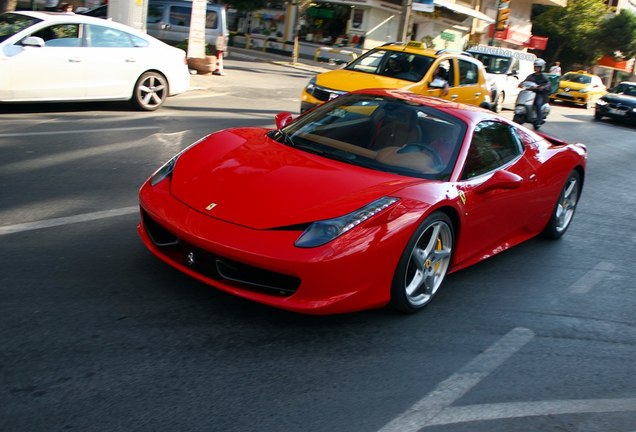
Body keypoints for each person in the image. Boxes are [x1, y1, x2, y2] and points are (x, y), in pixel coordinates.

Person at [521, 58, 550, 128]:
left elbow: (548, 84)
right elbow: (525, 81)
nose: (536, 68)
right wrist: (521, 83)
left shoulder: (543, 77)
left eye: (537, 67)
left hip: (539, 94)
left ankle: (539, 120)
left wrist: (543, 87)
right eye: (535, 66)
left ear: (541, 68)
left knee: (538, 104)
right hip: (530, 92)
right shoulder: (531, 75)